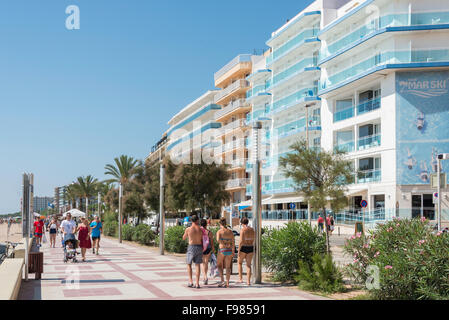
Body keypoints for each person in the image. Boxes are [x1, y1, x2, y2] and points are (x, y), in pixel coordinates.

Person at [182, 215, 203, 288]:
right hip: (199, 246)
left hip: (191, 247)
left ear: (191, 221)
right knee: (197, 265)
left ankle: (191, 281)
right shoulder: (200, 229)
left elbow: (183, 238)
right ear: (197, 220)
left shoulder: (188, 229)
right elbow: (202, 239)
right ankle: (197, 283)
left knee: (189, 264)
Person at [216, 217, 235, 288]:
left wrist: (224, 245)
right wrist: (232, 250)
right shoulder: (230, 232)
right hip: (229, 250)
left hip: (222, 250)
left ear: (220, 223)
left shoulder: (219, 231)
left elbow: (218, 240)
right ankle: (227, 283)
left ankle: (222, 280)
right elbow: (233, 242)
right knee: (228, 267)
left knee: (219, 265)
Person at [238, 217, 255, 286]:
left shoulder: (243, 230)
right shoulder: (252, 230)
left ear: (242, 223)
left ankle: (241, 279)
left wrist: (239, 250)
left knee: (239, 263)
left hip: (244, 247)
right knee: (248, 265)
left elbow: (241, 241)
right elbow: (254, 239)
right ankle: (248, 281)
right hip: (250, 247)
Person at [200, 218, 214, 285]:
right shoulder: (209, 232)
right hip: (208, 248)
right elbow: (212, 242)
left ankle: (204, 277)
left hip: (201, 248)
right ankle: (206, 276)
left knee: (202, 263)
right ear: (206, 224)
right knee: (206, 262)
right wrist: (213, 249)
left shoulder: (199, 231)